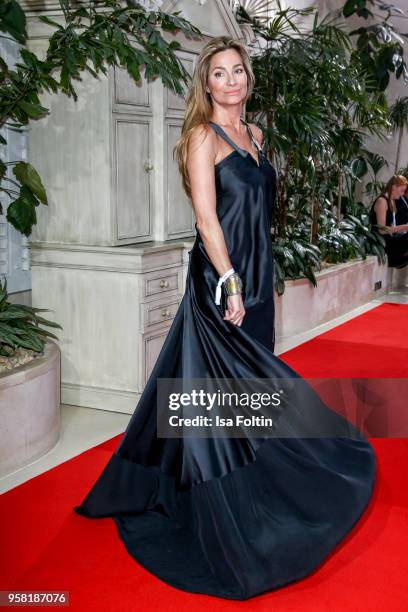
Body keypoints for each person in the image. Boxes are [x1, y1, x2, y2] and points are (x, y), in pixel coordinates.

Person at [73, 36, 377, 600]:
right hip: (222, 282)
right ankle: (231, 510)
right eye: (220, 73)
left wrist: (258, 277)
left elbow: (260, 212)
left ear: (248, 79)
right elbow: (208, 220)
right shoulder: (200, 138)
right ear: (205, 83)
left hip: (257, 280)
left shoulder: (257, 136)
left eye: (239, 71)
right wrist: (229, 280)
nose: (232, 81)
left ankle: (256, 487)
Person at [370, 175, 408, 269]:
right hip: (383, 242)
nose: (403, 194)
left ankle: (401, 260)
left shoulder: (392, 201)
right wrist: (404, 227)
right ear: (394, 187)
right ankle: (398, 260)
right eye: (402, 191)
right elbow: (382, 230)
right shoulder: (382, 201)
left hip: (391, 239)